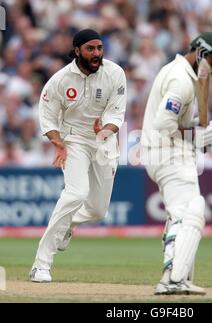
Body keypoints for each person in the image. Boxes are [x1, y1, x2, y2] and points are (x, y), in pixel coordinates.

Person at [30, 29, 127, 283]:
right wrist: (58, 143)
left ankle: (67, 225)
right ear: (77, 51)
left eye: (99, 48)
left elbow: (117, 114)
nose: (96, 54)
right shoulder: (60, 80)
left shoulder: (115, 73)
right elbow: (47, 116)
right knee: (76, 193)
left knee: (97, 211)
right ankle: (41, 264)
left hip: (104, 141)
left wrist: (105, 130)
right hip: (73, 140)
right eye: (90, 49)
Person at [141, 32, 212, 295]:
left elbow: (176, 123)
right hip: (168, 154)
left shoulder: (179, 73)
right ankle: (172, 279)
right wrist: (195, 136)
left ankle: (177, 277)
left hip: (166, 153)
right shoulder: (181, 80)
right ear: (202, 53)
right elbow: (164, 124)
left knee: (180, 214)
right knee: (187, 212)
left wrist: (199, 134)